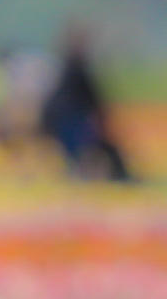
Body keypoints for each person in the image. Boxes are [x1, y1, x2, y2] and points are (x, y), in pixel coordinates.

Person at [39, 22, 132, 183]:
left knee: (78, 154)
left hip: (63, 118)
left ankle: (81, 177)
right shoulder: (76, 67)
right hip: (71, 119)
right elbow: (92, 97)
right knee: (79, 153)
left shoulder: (67, 66)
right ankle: (83, 178)